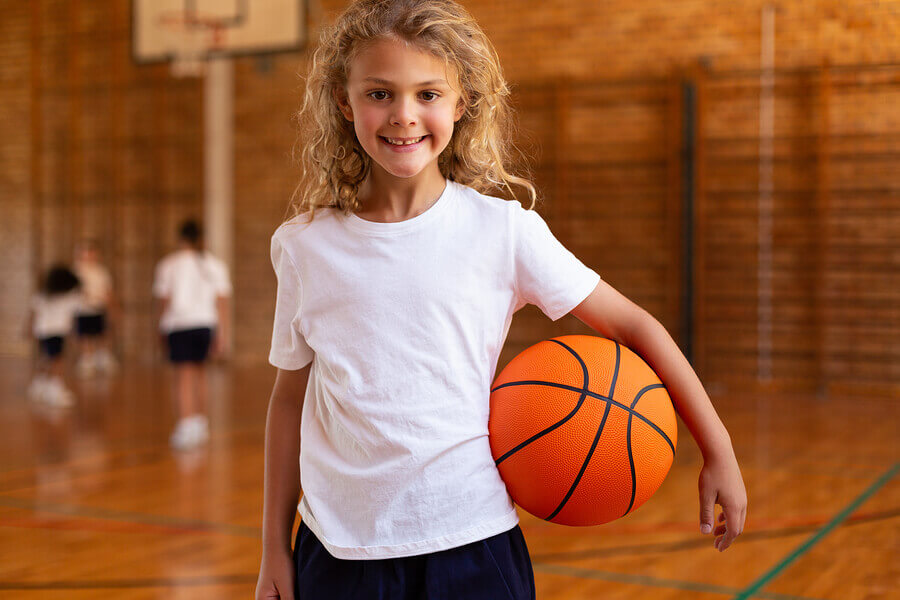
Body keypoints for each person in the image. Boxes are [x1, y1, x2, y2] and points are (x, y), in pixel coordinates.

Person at [256, 1, 747, 599]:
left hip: (473, 541)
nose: (404, 115)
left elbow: (636, 326)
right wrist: (271, 550)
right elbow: (289, 403)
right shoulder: (305, 247)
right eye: (379, 93)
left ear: (461, 104)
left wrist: (716, 449)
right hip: (337, 551)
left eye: (428, 94)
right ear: (344, 100)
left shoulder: (502, 231)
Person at [153, 219, 232, 450]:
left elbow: (163, 301)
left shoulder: (169, 265)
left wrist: (159, 328)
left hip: (179, 325)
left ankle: (186, 425)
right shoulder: (215, 265)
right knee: (199, 372)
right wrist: (222, 335)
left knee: (183, 376)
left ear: (180, 238)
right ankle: (199, 422)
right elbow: (223, 304)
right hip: (205, 325)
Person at [25, 265, 81, 407]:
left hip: (47, 332)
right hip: (52, 333)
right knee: (57, 361)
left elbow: (33, 314)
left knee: (47, 359)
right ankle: (55, 390)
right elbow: (33, 314)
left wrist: (29, 329)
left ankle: (40, 384)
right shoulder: (58, 297)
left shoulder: (45, 295)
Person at [73, 239, 119, 378]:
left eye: (92, 253)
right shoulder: (77, 271)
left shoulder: (101, 271)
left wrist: (113, 305)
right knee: (85, 334)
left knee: (102, 332)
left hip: (100, 307)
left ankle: (102, 357)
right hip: (83, 308)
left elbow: (108, 290)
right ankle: (87, 359)